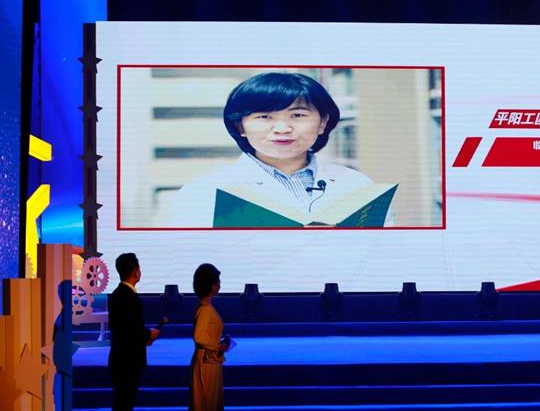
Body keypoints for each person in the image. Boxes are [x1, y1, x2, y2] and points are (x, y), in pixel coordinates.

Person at [168, 72, 390, 227]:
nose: (282, 128)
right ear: (240, 127)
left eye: (298, 115)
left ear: (322, 123)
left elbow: (384, 251)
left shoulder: (357, 185)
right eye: (265, 117)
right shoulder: (203, 191)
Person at [108, 253, 160, 411]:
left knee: (121, 402)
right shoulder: (129, 296)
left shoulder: (117, 294)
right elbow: (129, 330)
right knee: (125, 402)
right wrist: (148, 334)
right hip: (128, 362)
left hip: (120, 359)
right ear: (136, 271)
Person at [190, 263, 226, 411]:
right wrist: (218, 345)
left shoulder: (206, 307)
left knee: (211, 400)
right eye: (217, 281)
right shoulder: (205, 309)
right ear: (211, 285)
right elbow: (199, 336)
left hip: (210, 359)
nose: (219, 284)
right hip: (206, 361)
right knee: (207, 401)